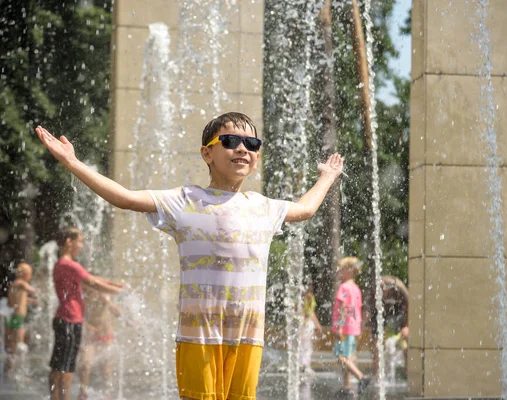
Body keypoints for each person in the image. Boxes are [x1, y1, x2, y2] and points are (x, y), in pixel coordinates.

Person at [35, 111, 344, 400]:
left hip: (248, 336)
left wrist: (327, 176)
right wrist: (72, 163)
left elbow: (305, 209)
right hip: (200, 335)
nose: (242, 149)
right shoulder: (185, 200)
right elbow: (126, 199)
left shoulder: (263, 206)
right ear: (207, 153)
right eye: (230, 141)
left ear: (257, 157)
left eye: (251, 143)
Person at [49, 227, 125, 400]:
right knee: (66, 366)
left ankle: (54, 397)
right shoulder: (70, 265)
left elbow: (93, 278)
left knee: (58, 364)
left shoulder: (62, 265)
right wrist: (119, 292)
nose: (82, 246)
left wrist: (117, 284)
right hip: (70, 319)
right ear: (69, 242)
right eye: (80, 241)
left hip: (64, 319)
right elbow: (93, 283)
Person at [332, 256, 370, 396]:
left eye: (341, 269)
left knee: (341, 357)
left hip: (346, 328)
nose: (339, 272)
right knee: (347, 357)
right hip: (353, 328)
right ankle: (347, 387)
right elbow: (357, 309)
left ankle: (362, 377)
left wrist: (340, 327)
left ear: (350, 270)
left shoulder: (344, 287)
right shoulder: (355, 288)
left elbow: (343, 308)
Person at [78, 289, 122, 400]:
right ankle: (83, 392)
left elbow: (119, 313)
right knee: (85, 364)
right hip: (90, 337)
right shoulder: (85, 298)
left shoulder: (106, 300)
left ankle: (107, 393)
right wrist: (88, 327)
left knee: (105, 365)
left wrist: (107, 301)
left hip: (106, 335)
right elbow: (78, 316)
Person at [370, 274, 409, 380]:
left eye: (382, 289)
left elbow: (410, 304)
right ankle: (376, 374)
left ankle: (408, 372)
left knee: (406, 341)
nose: (380, 292)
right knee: (376, 343)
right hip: (381, 315)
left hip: (398, 313)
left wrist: (406, 325)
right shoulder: (374, 292)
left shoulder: (399, 289)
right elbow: (369, 311)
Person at [4, 261, 37, 382]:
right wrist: (38, 291)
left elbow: (20, 298)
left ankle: (8, 373)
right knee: (19, 346)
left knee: (13, 347)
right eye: (30, 274)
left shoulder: (15, 285)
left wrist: (32, 301)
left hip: (14, 318)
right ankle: (18, 374)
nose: (31, 277)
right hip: (17, 319)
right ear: (25, 274)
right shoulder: (20, 283)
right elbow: (31, 290)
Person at [299, 285, 322, 376]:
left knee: (307, 346)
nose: (309, 293)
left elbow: (312, 313)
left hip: (308, 325)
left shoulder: (311, 298)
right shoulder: (301, 299)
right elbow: (300, 312)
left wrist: (317, 325)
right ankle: (302, 365)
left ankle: (305, 365)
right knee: (302, 346)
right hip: (303, 325)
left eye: (310, 291)